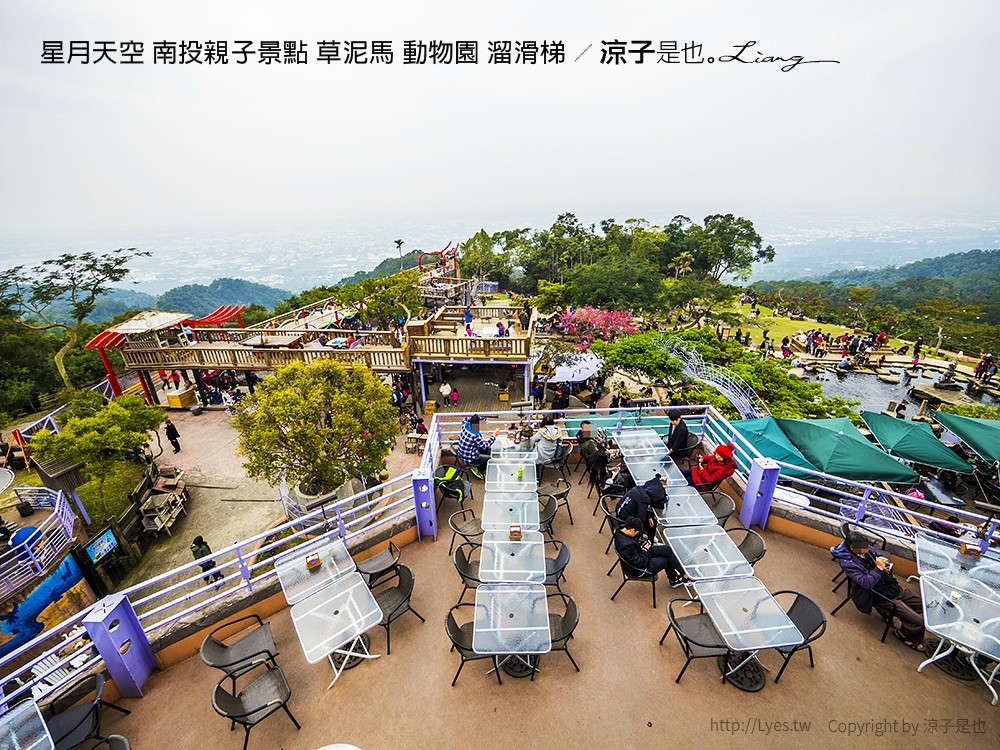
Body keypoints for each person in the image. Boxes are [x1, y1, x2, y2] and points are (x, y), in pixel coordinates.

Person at [831, 530, 925, 650]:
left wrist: (885, 565)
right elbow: (866, 583)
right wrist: (878, 569)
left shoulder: (864, 548)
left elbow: (877, 556)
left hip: (891, 586)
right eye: (863, 548)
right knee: (918, 622)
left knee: (924, 606)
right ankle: (903, 635)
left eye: (867, 546)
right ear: (852, 548)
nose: (867, 549)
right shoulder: (847, 563)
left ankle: (906, 621)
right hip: (877, 595)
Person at [613, 517, 686, 587]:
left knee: (667, 549)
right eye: (637, 532)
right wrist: (645, 550)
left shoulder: (621, 529)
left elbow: (634, 547)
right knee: (666, 561)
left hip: (639, 552)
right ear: (632, 530)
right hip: (639, 569)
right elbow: (639, 562)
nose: (637, 534)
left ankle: (683, 573)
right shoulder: (626, 546)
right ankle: (674, 580)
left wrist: (643, 545)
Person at [615, 475, 669, 544]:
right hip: (624, 520)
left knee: (650, 518)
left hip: (620, 511)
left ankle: (648, 536)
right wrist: (649, 517)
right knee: (652, 523)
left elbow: (640, 510)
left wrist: (649, 516)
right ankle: (650, 542)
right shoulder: (644, 499)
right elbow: (641, 519)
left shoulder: (639, 489)